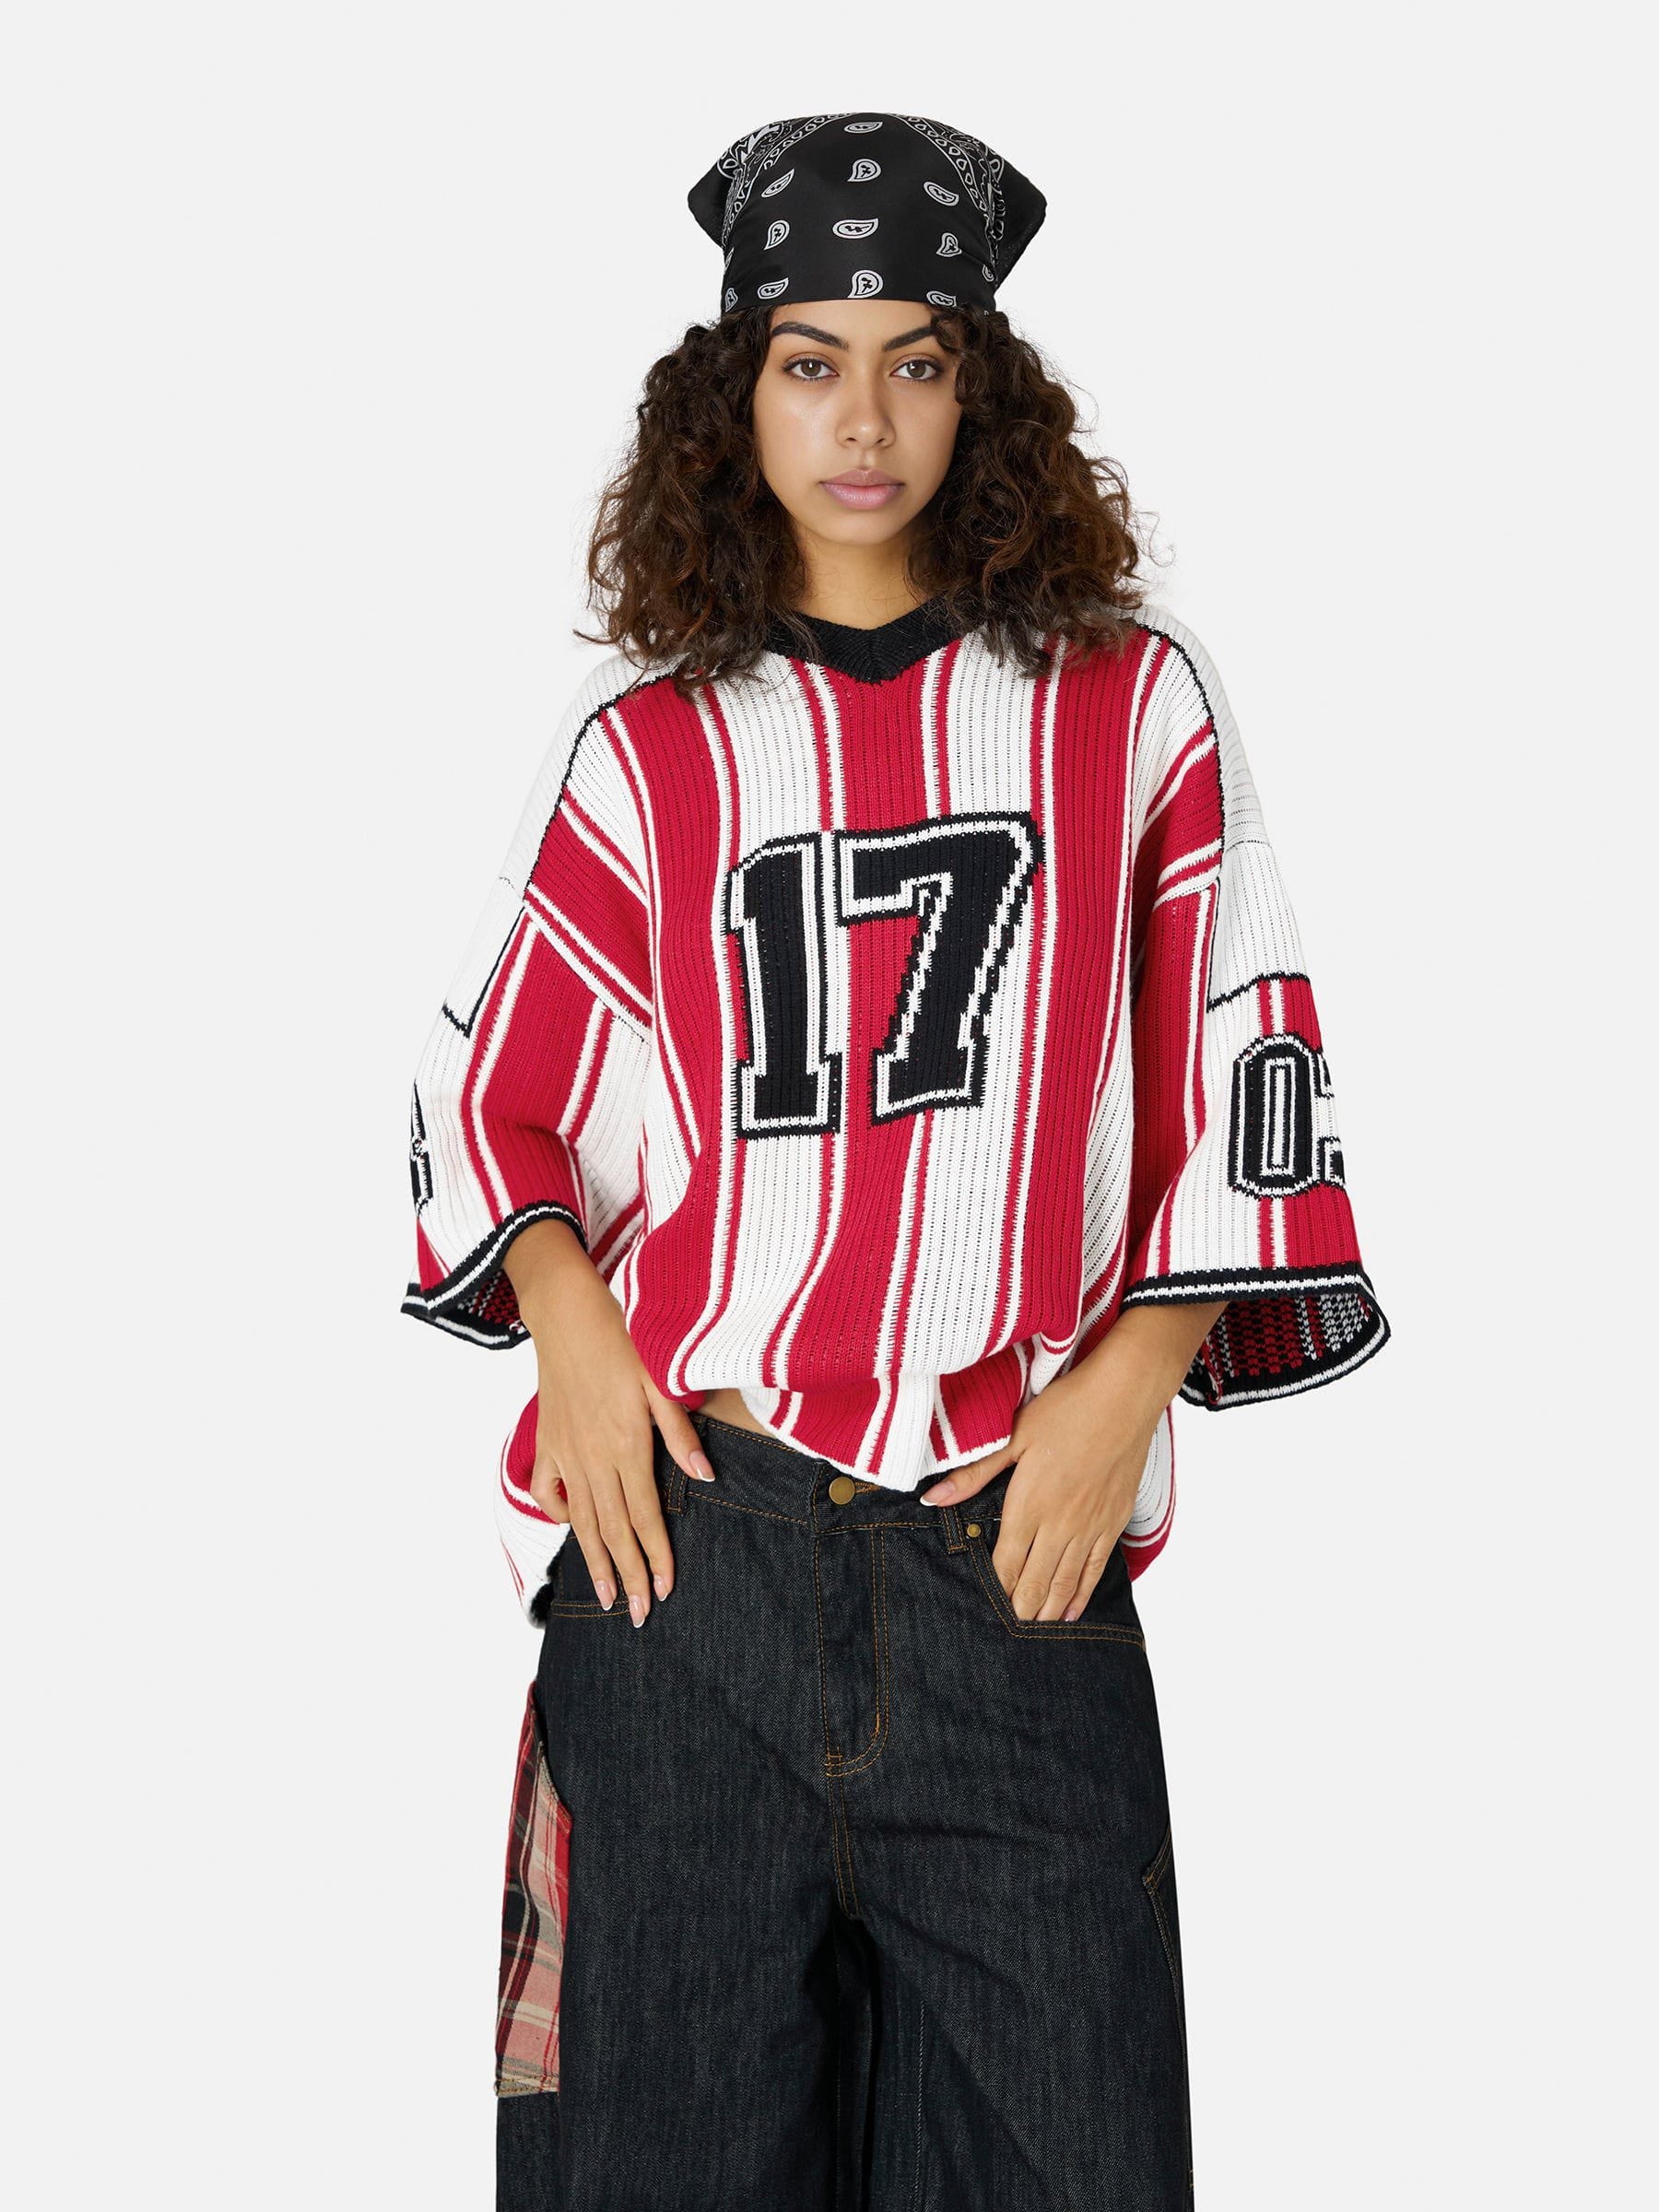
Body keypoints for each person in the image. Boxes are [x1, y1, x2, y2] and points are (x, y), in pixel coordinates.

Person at [400, 111, 1389, 2212]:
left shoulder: (1128, 707)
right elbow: (494, 1090)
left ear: (982, 390)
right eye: (811, 361)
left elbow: (1250, 1063)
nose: (863, 421)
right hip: (689, 1568)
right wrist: (570, 1329)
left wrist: (1124, 1390)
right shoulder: (650, 743)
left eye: (917, 360)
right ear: (734, 393)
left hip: (1008, 1567)